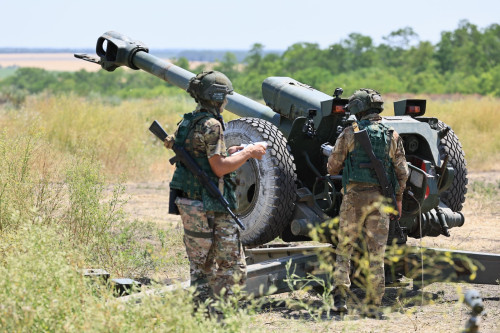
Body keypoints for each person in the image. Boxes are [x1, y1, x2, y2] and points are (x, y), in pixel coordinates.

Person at [164, 71, 266, 302]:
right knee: (231, 267)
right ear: (217, 98)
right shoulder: (212, 125)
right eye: (225, 97)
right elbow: (219, 168)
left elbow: (200, 157)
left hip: (190, 203)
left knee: (200, 265)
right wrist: (249, 152)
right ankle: (222, 315)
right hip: (212, 203)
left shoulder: (187, 122)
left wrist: (232, 152)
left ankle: (200, 313)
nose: (227, 101)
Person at [327, 88, 409, 316]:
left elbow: (332, 167)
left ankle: (340, 300)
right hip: (380, 201)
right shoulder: (392, 134)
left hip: (353, 199)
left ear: (359, 109)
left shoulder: (349, 133)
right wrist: (399, 199)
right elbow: (402, 172)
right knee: (376, 254)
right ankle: (374, 304)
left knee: (344, 249)